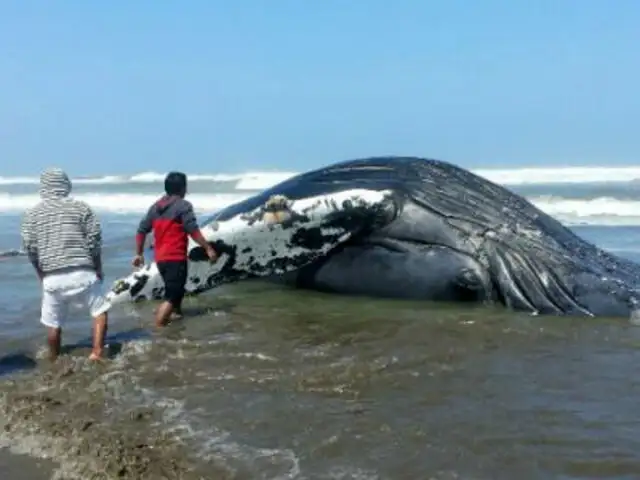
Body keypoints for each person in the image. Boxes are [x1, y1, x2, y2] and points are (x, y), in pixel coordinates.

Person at [20, 168, 110, 362]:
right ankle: (96, 352)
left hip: (52, 276)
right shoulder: (81, 207)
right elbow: (94, 239)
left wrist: (40, 273)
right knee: (99, 311)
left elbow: (30, 247)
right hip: (82, 271)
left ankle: (53, 357)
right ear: (66, 185)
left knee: (53, 323)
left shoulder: (32, 214)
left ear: (43, 188)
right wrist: (97, 266)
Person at [132, 171, 218, 327]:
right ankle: (158, 328)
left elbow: (141, 230)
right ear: (182, 188)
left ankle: (176, 321)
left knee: (175, 293)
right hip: (175, 258)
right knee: (174, 295)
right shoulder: (183, 206)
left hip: (160, 259)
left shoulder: (155, 208)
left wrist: (138, 253)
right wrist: (207, 247)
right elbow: (192, 229)